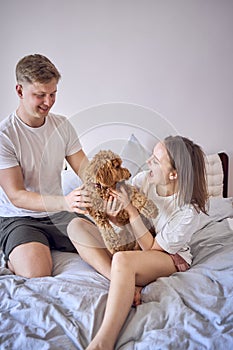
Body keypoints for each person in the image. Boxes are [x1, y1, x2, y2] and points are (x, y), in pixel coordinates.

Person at [67, 135, 208, 350]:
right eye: (151, 156)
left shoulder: (188, 211)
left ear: (174, 174)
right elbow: (121, 218)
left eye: (156, 160)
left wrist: (131, 210)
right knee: (75, 227)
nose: (148, 162)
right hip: (136, 244)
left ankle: (104, 341)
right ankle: (125, 282)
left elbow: (151, 248)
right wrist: (110, 213)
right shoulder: (144, 180)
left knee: (123, 260)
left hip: (166, 256)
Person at [0, 54, 92, 278]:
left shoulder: (62, 125)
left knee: (111, 246)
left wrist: (105, 189)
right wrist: (66, 202)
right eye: (40, 95)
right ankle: (14, 257)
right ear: (20, 91)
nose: (48, 102)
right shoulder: (5, 136)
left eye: (53, 94)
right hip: (18, 217)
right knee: (37, 274)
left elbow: (87, 171)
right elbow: (17, 196)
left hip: (58, 213)